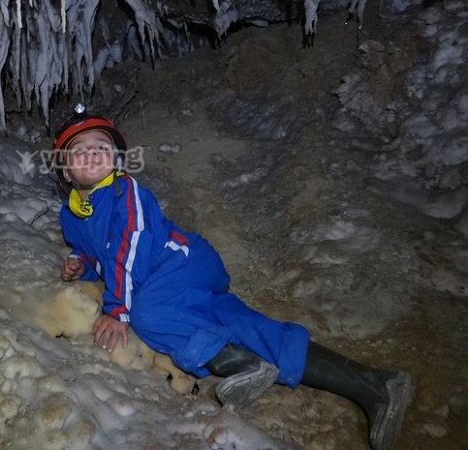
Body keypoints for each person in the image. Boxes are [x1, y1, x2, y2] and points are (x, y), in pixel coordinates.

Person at [52, 108, 412, 450]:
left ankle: (243, 366)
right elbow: (99, 253)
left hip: (181, 261)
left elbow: (129, 246)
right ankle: (376, 386)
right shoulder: (71, 215)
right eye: (78, 150)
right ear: (66, 173)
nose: (92, 154)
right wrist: (80, 266)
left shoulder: (124, 192)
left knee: (148, 316)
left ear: (117, 160)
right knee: (240, 324)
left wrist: (117, 310)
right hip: (171, 283)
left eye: (101, 146)